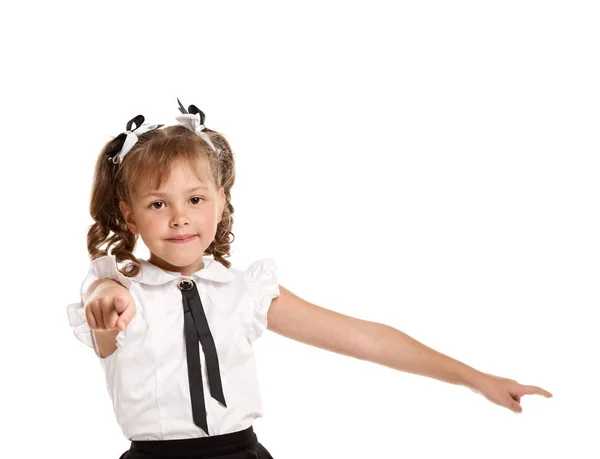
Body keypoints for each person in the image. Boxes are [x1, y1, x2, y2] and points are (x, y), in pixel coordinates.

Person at [67, 99, 553, 459]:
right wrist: (106, 300)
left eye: (195, 199)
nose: (179, 217)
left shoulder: (244, 293)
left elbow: (367, 339)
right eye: (158, 203)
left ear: (220, 202)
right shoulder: (122, 288)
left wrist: (476, 379)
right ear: (130, 217)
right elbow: (102, 303)